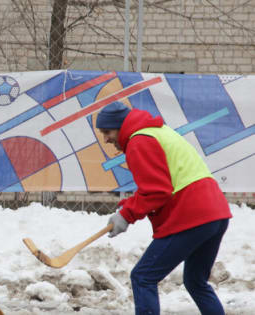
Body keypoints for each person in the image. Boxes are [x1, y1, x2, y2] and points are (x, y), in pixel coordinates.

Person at [96, 101, 232, 315]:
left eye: (107, 132)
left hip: (191, 214)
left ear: (120, 126)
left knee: (143, 276)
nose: (106, 139)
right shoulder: (156, 131)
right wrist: (126, 210)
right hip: (216, 212)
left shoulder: (139, 141)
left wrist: (127, 215)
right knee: (195, 281)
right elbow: (159, 186)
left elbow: (157, 191)